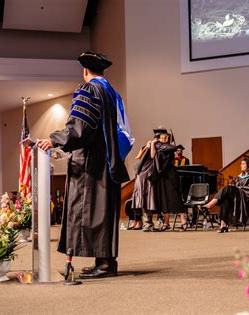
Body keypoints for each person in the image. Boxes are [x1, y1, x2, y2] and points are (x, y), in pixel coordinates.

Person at [37, 51, 134, 279]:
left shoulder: (90, 89)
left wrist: (55, 139)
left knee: (92, 211)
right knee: (102, 212)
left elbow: (81, 126)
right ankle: (105, 262)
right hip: (107, 159)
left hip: (91, 162)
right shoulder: (111, 92)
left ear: (85, 70)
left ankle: (105, 265)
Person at [204, 156, 249, 232]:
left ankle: (210, 204)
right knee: (225, 199)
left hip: (247, 198)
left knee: (227, 188)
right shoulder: (239, 177)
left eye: (243, 164)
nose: (241, 165)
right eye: (241, 164)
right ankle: (223, 225)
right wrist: (234, 188)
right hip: (237, 198)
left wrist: (238, 189)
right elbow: (234, 186)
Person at [150, 129, 186, 231]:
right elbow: (152, 156)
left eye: (165, 137)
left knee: (175, 196)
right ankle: (166, 223)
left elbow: (174, 147)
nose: (163, 139)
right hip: (162, 175)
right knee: (165, 198)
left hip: (171, 174)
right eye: (161, 137)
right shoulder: (159, 147)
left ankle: (183, 220)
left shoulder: (169, 148)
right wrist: (152, 144)